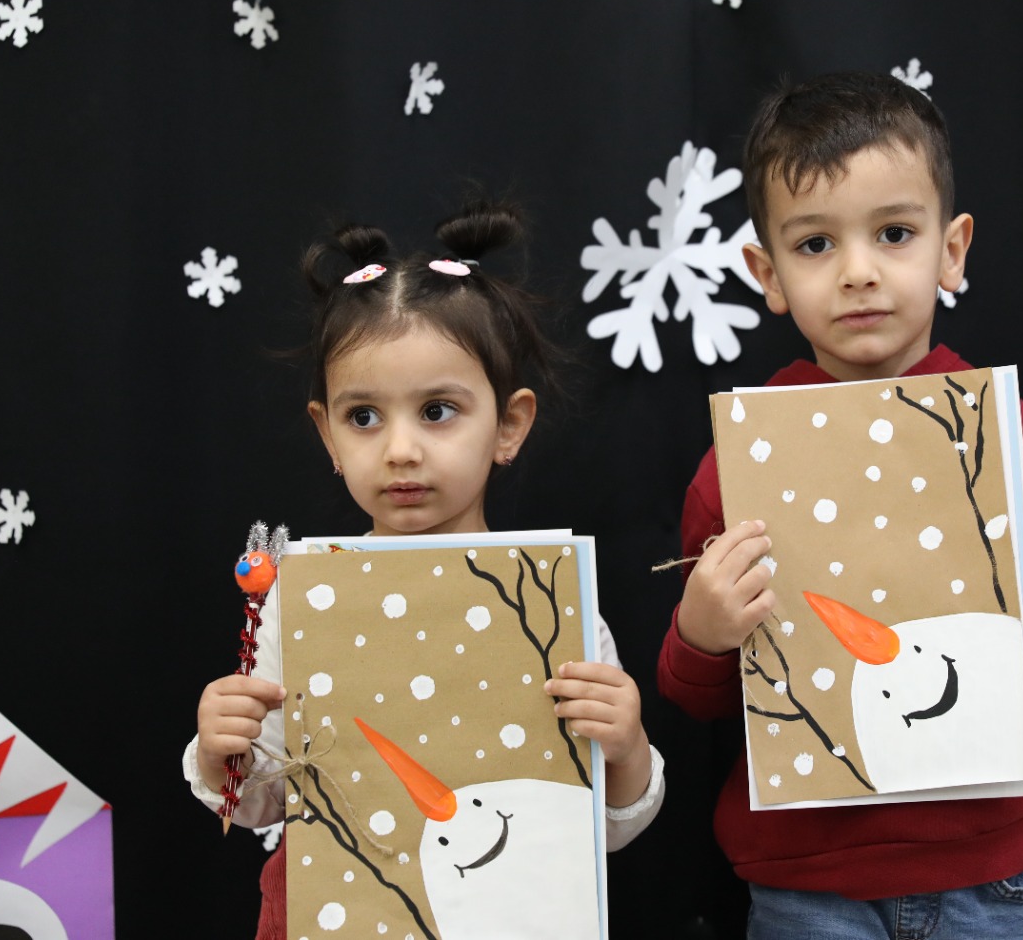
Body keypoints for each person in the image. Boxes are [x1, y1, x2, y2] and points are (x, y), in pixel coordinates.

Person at [657, 71, 1023, 939]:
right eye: (815, 244)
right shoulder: (741, 462)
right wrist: (702, 632)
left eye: (895, 233)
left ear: (952, 250)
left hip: (993, 872)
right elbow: (706, 694)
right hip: (807, 886)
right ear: (766, 273)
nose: (859, 272)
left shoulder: (1013, 439)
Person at [183, 201, 666, 938]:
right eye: (364, 417)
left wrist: (625, 750)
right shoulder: (305, 600)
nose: (401, 450)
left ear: (509, 425)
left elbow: (601, 830)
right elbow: (262, 802)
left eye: (438, 411)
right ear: (327, 434)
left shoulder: (553, 603)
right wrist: (224, 751)